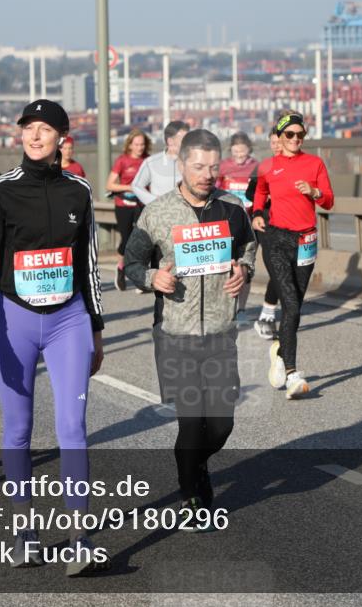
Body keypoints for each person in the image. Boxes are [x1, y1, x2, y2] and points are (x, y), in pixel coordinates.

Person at [0, 99, 108, 575]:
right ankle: (24, 531)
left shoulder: (79, 191)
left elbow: (87, 265)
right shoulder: (1, 190)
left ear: (61, 138)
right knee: (20, 429)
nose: (34, 136)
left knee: (72, 426)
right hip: (13, 319)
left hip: (68, 318)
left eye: (44, 129)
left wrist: (97, 327)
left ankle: (80, 536)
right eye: (28, 128)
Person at [124, 129, 255, 524]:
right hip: (175, 334)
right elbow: (132, 263)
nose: (207, 174)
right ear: (181, 165)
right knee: (191, 424)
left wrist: (243, 270)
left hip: (220, 331)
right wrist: (152, 279)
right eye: (198, 167)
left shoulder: (232, 208)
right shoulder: (158, 212)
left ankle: (195, 466)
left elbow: (248, 246)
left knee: (220, 426)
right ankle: (191, 495)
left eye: (213, 167)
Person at [251, 111, 334, 399]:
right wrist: (257, 214)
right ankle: (292, 373)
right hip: (276, 239)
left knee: (293, 307)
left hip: (306, 239)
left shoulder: (315, 163)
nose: (296, 139)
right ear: (280, 137)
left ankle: (278, 349)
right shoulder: (268, 167)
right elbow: (259, 194)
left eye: (300, 135)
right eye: (290, 135)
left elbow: (329, 200)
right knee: (291, 305)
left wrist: (313, 191)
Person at [217, 131, 259, 318]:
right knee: (224, 267)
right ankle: (225, 307)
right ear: (230, 151)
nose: (240, 157)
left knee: (245, 267)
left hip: (249, 224)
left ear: (249, 150)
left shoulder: (257, 167)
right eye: (236, 153)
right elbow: (214, 190)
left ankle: (241, 308)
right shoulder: (223, 166)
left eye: (243, 153)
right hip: (226, 224)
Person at [105, 128, 150, 291]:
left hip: (141, 204)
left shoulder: (148, 160)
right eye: (136, 144)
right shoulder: (122, 160)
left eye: (142, 144)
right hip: (123, 205)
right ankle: (121, 268)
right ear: (130, 145)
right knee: (126, 239)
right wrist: (131, 188)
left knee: (141, 239)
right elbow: (109, 185)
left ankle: (140, 276)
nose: (140, 148)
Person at [249, 128, 283, 339]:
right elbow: (249, 192)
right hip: (268, 225)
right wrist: (268, 197)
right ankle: (267, 316)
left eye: (280, 141)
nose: (277, 146)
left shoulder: (302, 166)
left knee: (288, 275)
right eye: (273, 142)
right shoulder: (266, 167)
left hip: (294, 227)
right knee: (278, 272)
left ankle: (272, 315)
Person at [130, 120, 189, 206]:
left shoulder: (193, 163)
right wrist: (155, 202)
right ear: (170, 141)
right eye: (184, 139)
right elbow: (136, 185)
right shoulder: (151, 162)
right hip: (159, 216)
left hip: (187, 215)